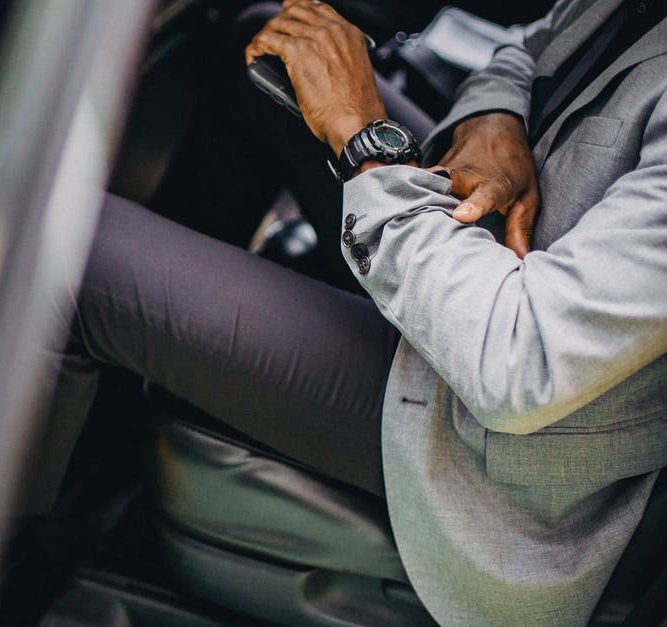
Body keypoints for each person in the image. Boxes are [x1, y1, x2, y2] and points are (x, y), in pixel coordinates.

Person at [33, 0, 667, 623]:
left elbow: (520, 364)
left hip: (482, 432)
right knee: (262, 52)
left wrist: (364, 142)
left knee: (60, 257)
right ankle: (109, 413)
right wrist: (492, 118)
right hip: (474, 270)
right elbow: (525, 49)